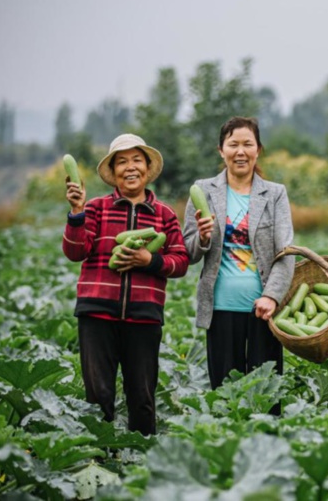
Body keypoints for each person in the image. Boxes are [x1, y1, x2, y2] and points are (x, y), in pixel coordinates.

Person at [63, 134, 190, 436]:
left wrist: (150, 261)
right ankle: (100, 462)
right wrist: (77, 213)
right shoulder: (95, 208)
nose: (130, 168)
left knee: (143, 398)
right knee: (98, 398)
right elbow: (74, 252)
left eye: (136, 160)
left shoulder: (165, 215)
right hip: (96, 315)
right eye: (122, 162)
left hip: (144, 317)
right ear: (113, 171)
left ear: (147, 168)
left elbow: (181, 261)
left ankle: (141, 466)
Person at [183, 117, 295, 390]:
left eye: (248, 144)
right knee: (224, 394)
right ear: (221, 150)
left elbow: (286, 252)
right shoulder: (203, 191)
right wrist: (204, 236)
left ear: (258, 150)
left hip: (263, 311)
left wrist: (271, 296)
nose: (240, 151)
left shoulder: (275, 194)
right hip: (220, 308)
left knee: (266, 395)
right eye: (233, 144)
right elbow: (188, 251)